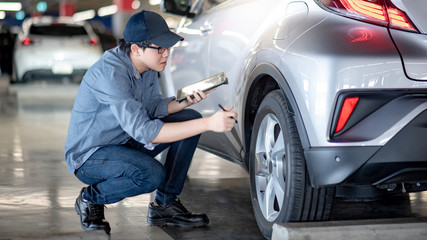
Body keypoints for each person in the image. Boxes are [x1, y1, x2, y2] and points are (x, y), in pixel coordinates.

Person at [64, 10, 237, 233]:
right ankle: (90, 199)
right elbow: (145, 131)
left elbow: (153, 107)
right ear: (136, 48)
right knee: (150, 175)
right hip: (91, 156)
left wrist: (185, 101)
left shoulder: (146, 67)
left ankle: (164, 205)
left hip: (124, 140)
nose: (166, 54)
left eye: (168, 48)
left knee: (189, 118)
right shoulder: (111, 74)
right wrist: (209, 124)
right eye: (160, 49)